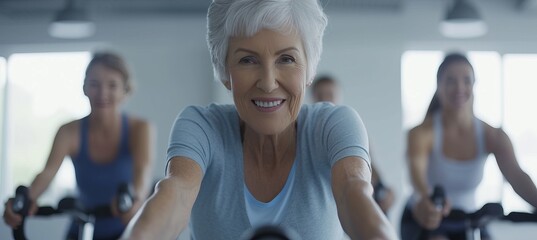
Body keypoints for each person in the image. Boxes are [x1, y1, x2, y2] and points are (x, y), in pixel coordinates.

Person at [121, 0, 397, 239]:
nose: (267, 83)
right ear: (225, 72)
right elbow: (176, 192)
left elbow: (354, 192)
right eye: (247, 60)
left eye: (286, 59)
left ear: (309, 70)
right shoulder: (201, 127)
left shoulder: (334, 125)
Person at [2, 52, 155, 240]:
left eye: (112, 85)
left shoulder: (139, 129)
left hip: (126, 229)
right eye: (94, 84)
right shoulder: (69, 131)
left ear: (126, 90)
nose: (102, 93)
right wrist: (25, 201)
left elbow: (143, 172)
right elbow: (47, 173)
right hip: (80, 228)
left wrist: (136, 199)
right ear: (84, 88)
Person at [401, 53, 537, 240]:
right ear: (438, 86)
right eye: (451, 81)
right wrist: (425, 197)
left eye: (466, 80)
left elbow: (517, 177)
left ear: (474, 85)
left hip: (469, 219)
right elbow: (416, 175)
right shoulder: (422, 133)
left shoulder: (493, 136)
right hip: (425, 217)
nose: (459, 88)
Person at [311, 75, 396, 215]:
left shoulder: (353, 130)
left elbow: (370, 164)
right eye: (321, 95)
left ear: (338, 96)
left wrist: (385, 190)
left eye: (330, 95)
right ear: (313, 97)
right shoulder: (305, 132)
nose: (325, 100)